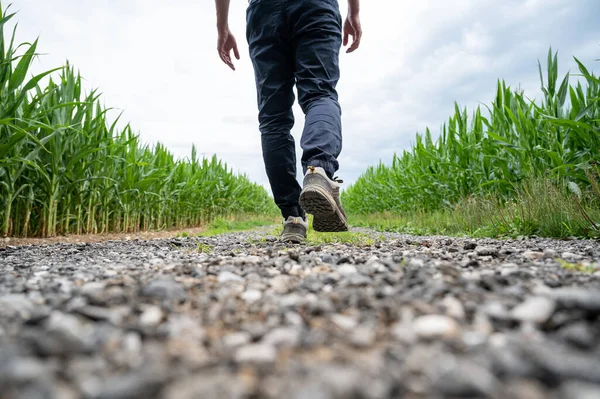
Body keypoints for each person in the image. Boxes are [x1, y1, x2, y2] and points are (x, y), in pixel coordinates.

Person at [214, 0, 362, 243]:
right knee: (319, 94)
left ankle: (293, 218)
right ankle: (318, 171)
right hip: (316, 8)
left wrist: (222, 27)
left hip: (263, 12)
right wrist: (353, 12)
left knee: (273, 118)